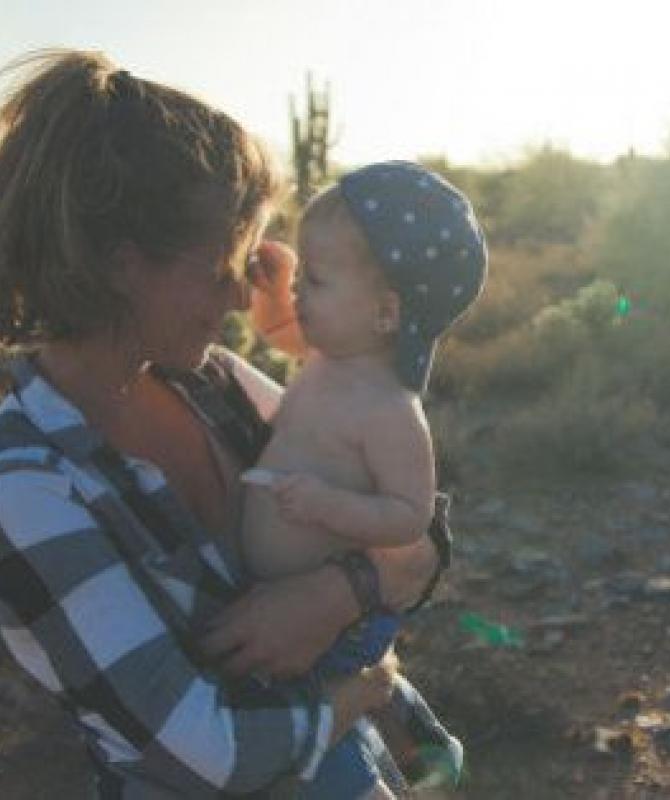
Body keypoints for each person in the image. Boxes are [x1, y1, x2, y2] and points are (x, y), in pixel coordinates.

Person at [0, 49, 449, 797]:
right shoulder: (25, 483)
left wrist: (336, 595)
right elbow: (210, 753)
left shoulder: (213, 383)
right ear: (122, 266)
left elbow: (421, 534)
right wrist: (366, 687)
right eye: (220, 270)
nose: (244, 298)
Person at [234, 161, 487, 798]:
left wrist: (329, 505)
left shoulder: (388, 410)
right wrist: (275, 285)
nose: (300, 291)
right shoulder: (329, 356)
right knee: (361, 686)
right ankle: (422, 735)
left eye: (314, 280)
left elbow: (409, 514)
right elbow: (280, 329)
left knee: (327, 726)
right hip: (295, 597)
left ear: (385, 312)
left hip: (338, 620)